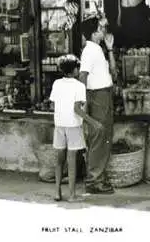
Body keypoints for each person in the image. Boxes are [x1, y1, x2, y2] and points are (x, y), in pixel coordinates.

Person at [49, 54, 103, 202]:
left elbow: (53, 104)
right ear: (74, 70)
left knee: (59, 160)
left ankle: (57, 192)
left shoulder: (56, 83)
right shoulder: (79, 86)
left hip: (59, 124)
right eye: (77, 67)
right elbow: (77, 110)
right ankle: (71, 195)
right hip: (73, 125)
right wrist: (93, 122)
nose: (79, 70)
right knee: (71, 161)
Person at [79, 17, 117, 194]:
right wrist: (84, 102)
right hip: (97, 96)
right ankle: (94, 180)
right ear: (94, 32)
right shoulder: (89, 51)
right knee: (98, 137)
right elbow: (82, 76)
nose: (105, 29)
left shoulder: (98, 49)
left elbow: (113, 72)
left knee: (104, 137)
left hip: (104, 95)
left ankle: (98, 177)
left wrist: (110, 49)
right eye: (102, 27)